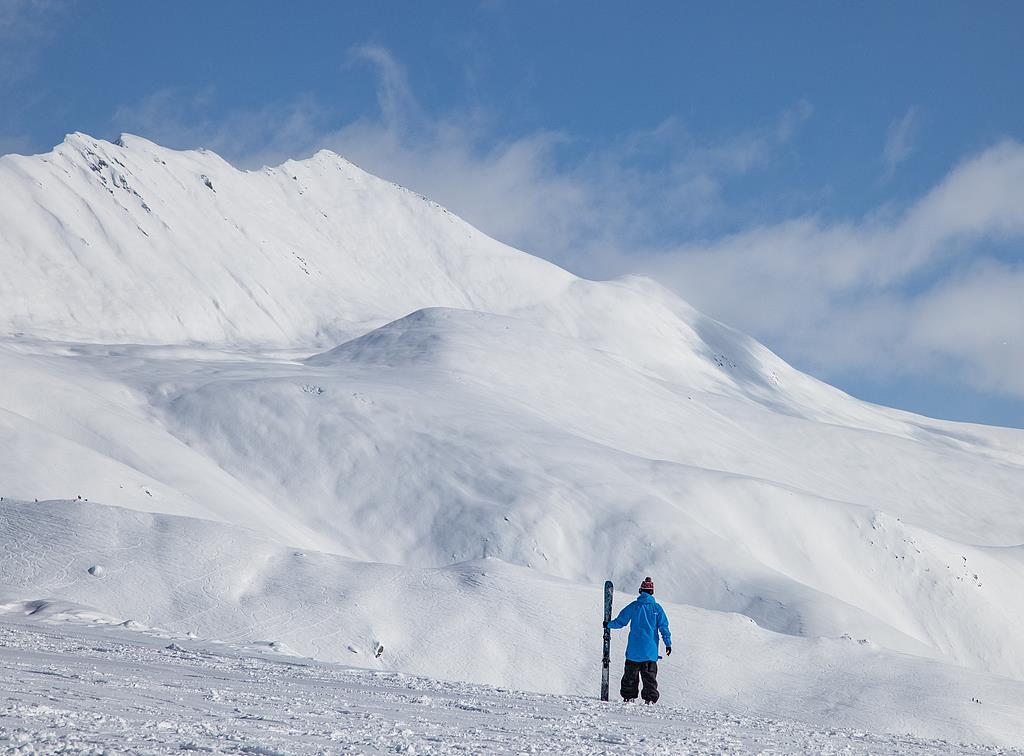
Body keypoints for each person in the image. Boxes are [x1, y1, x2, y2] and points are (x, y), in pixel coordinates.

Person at [604, 576, 671, 704]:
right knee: (649, 679)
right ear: (652, 592)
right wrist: (668, 644)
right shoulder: (657, 609)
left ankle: (629, 698)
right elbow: (664, 627)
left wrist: (608, 624)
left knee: (630, 678)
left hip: (634, 651)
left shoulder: (634, 606)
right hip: (650, 652)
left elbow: (620, 622)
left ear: (640, 591)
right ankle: (650, 700)